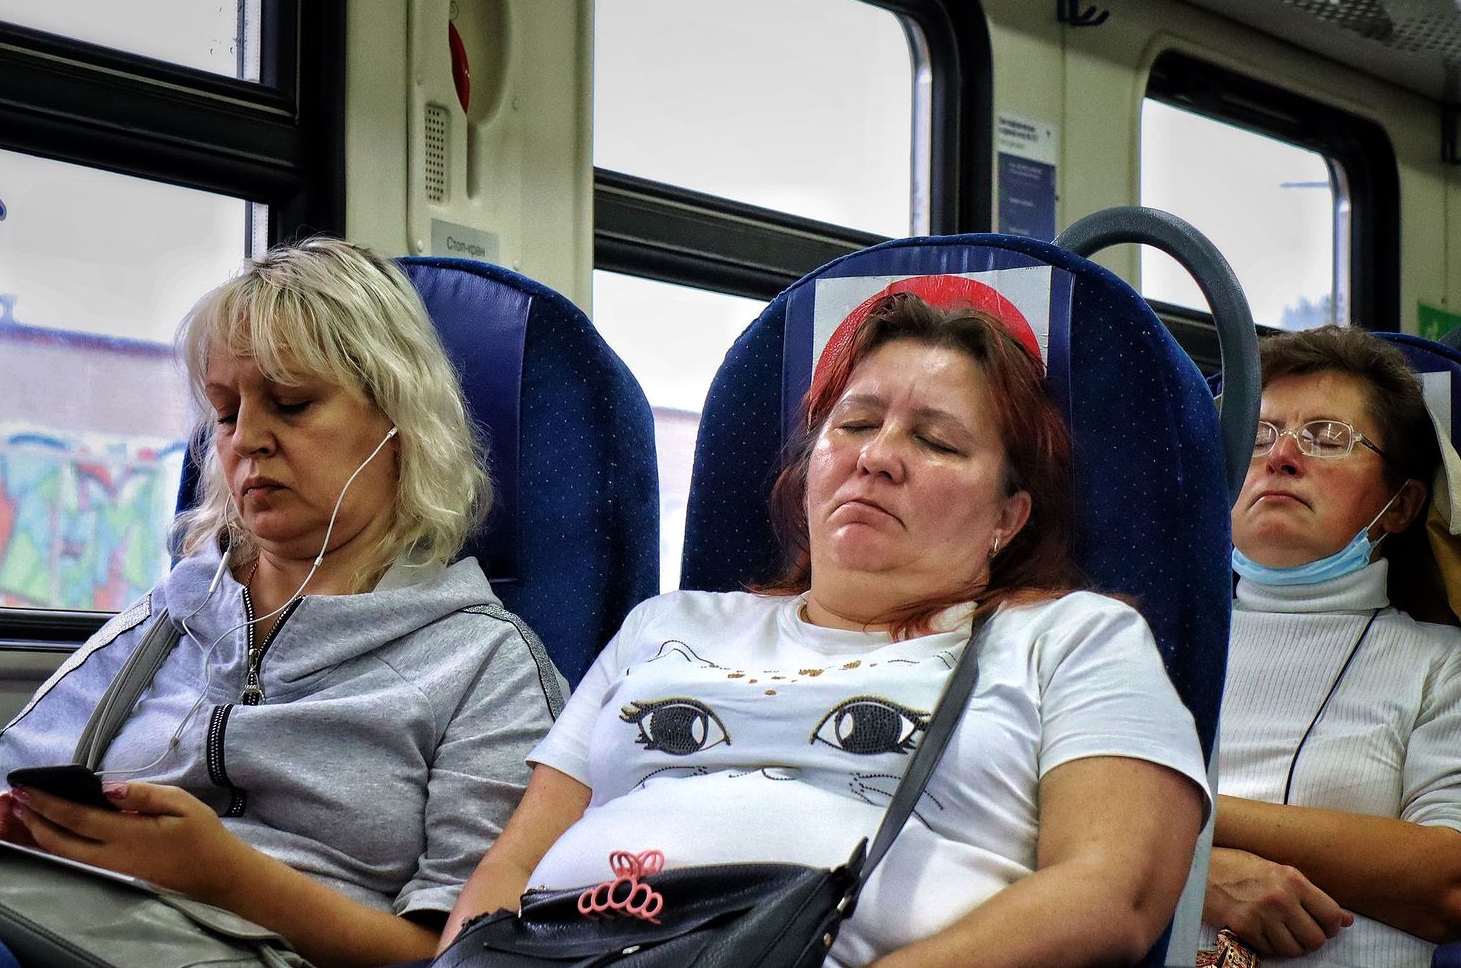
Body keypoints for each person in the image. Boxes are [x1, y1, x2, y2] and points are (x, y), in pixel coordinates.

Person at [442, 292, 1209, 968]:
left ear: (1007, 518)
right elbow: (512, 866)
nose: (877, 457)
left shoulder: (1072, 638)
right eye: (857, 424)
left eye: (936, 442)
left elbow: (1113, 892)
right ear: (808, 470)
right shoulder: (665, 625)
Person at [0, 239, 565, 968]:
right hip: (79, 936)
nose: (247, 440)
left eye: (291, 404)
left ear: (399, 420)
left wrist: (225, 878)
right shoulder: (170, 623)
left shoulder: (486, 667)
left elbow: (465, 953)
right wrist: (32, 843)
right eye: (225, 415)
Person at [1202, 324, 1461, 968]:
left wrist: (1175, 822)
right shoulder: (1137, 642)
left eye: (1326, 437)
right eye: (1258, 436)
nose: (1281, 458)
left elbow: (1449, 884)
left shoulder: (1441, 665)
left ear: (1400, 505)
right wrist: (1200, 877)